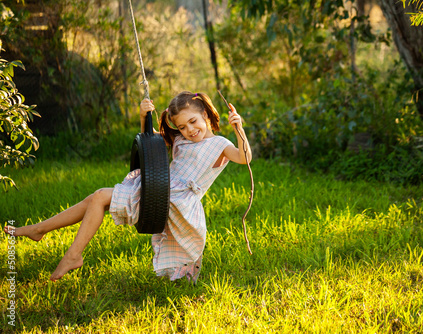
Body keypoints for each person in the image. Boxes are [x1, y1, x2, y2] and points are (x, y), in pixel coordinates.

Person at [3, 91, 252, 283]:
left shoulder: (220, 145)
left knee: (99, 196)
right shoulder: (180, 139)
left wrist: (238, 128)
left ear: (206, 116)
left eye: (194, 122)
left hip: (176, 201)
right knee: (95, 198)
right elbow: (149, 139)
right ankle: (39, 231)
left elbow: (245, 157)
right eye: (182, 126)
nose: (190, 130)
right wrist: (144, 116)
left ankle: (71, 254)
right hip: (160, 191)